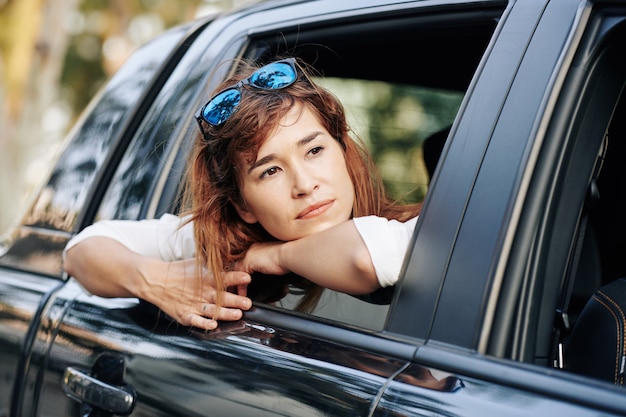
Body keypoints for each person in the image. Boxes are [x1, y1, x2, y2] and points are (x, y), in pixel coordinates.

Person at [63, 57, 421, 331]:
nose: (304, 184)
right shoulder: (227, 246)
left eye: (314, 151)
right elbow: (82, 252)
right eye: (270, 171)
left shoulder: (429, 230)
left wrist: (277, 256)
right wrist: (156, 280)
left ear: (342, 148)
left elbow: (365, 256)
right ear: (242, 204)